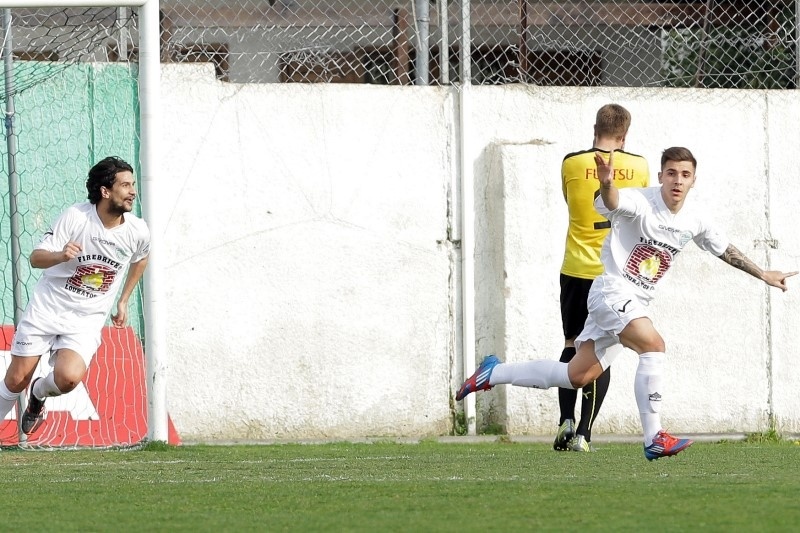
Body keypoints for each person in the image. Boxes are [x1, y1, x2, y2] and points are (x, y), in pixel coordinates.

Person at [457, 146, 796, 460]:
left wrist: (763, 273)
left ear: (693, 180)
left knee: (576, 375)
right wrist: (606, 182)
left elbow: (725, 250)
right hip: (612, 291)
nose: (677, 180)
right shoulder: (641, 201)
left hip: (633, 301)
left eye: (685, 175)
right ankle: (653, 438)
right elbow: (615, 200)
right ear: (661, 176)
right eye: (671, 173)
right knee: (654, 345)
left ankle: (493, 372)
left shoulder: (696, 220)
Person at [0, 156, 150, 436]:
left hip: (86, 318)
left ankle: (39, 394)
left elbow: (141, 258)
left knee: (68, 379)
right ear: (105, 191)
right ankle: (26, 388)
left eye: (133, 185)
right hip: (48, 309)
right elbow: (35, 258)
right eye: (126, 185)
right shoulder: (77, 217)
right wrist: (60, 255)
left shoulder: (137, 230)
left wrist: (123, 299)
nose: (133, 191)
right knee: (16, 378)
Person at [555, 104, 650, 453]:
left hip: (575, 268)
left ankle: (564, 419)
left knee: (570, 344)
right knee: (600, 353)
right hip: (613, 274)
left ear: (594, 129)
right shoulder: (638, 165)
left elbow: (569, 200)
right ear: (624, 136)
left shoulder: (571, 163)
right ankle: (584, 433)